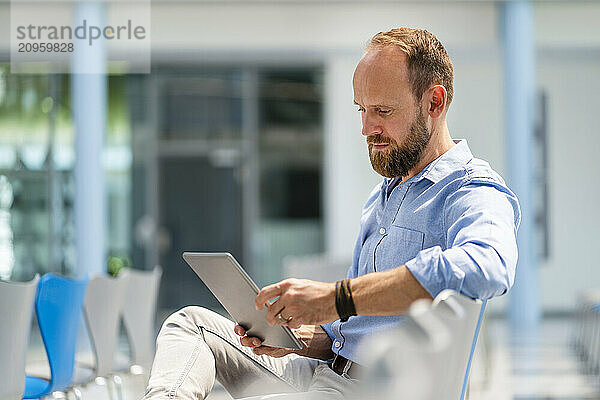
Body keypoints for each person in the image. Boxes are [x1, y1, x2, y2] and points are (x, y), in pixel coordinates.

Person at [143, 28, 520, 400]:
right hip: (324, 372)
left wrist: (336, 298)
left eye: (383, 111)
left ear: (434, 102)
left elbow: (489, 265)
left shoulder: (471, 190)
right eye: (362, 110)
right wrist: (310, 338)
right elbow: (364, 327)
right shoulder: (384, 195)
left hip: (372, 390)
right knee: (190, 323)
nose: (366, 128)